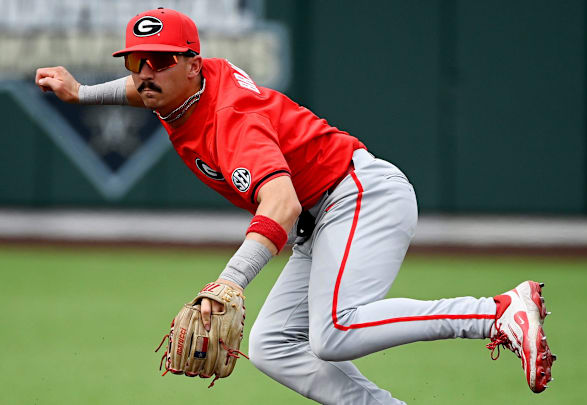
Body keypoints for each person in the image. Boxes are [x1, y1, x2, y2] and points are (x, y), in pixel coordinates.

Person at [35, 8, 554, 404]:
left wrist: (232, 280)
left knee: (335, 331)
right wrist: (82, 94)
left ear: (192, 65)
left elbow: (279, 203)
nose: (145, 73)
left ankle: (497, 313)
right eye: (135, 60)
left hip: (357, 195)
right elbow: (144, 88)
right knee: (272, 346)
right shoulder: (186, 85)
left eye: (161, 60)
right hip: (325, 211)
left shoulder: (230, 120)